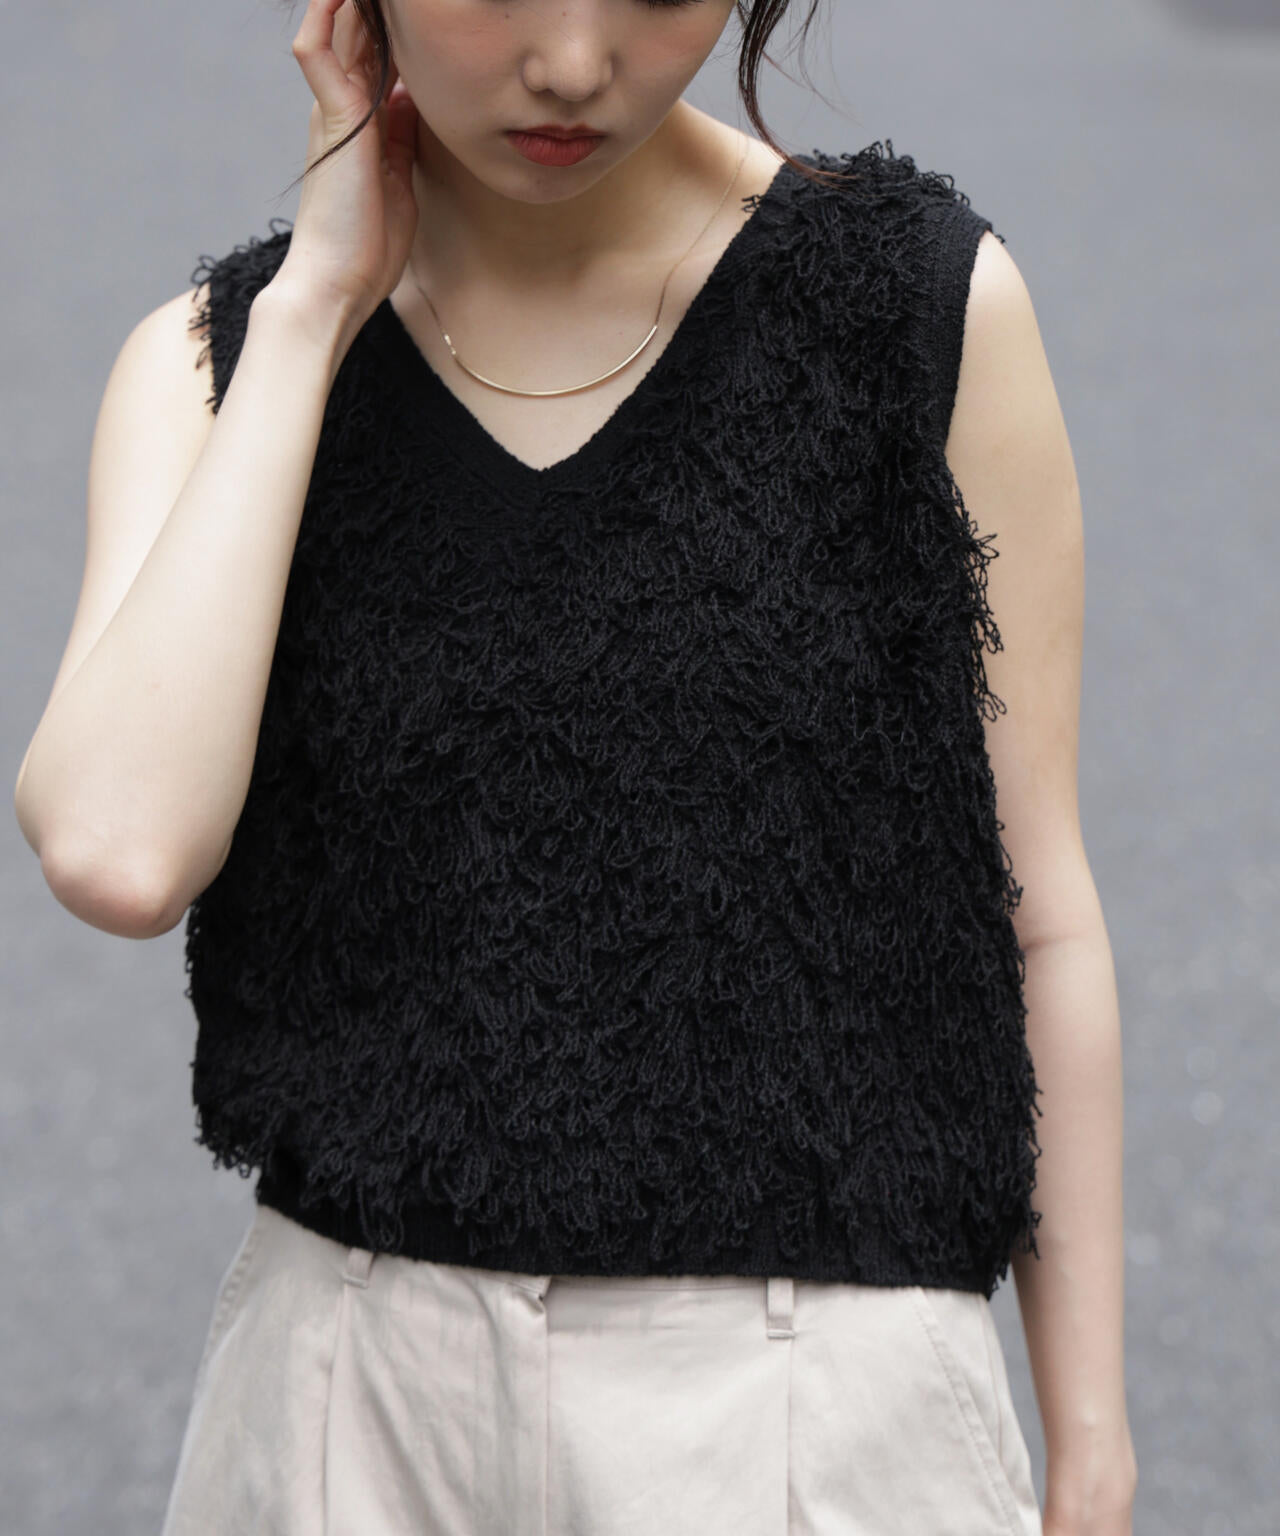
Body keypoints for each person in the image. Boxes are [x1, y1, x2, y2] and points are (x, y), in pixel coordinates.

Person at [12, 1, 1138, 1532]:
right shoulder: (219, 360)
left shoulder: (907, 306)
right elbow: (118, 852)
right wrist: (313, 312)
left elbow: (1036, 908)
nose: (571, 65)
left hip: (818, 1406)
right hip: (349, 1397)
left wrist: (1092, 1448)